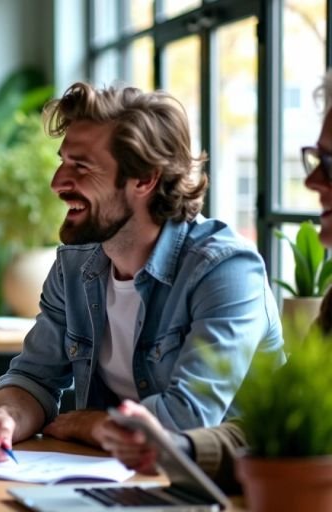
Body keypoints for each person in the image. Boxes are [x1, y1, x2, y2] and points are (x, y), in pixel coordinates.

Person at [0, 82, 284, 464]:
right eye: (63, 161)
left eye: (80, 166)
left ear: (145, 179)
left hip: (222, 490)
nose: (57, 183)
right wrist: (6, 420)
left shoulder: (225, 270)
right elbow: (33, 378)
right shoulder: (74, 266)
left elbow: (186, 422)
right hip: (111, 479)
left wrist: (87, 424)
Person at [97, 71, 332, 494]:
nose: (313, 181)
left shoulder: (225, 266)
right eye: (316, 160)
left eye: (329, 164)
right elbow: (272, 435)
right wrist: (174, 449)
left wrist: (92, 424)